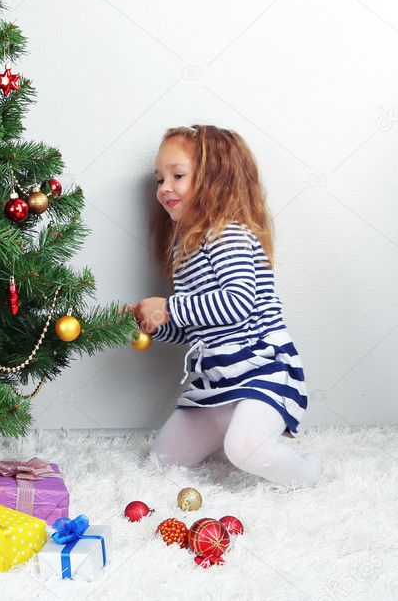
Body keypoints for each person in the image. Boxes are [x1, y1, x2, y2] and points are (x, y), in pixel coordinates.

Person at [132, 125, 322, 488]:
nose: (163, 188)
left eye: (177, 176)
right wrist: (156, 324)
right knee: (162, 463)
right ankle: (231, 432)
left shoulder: (227, 233)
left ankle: (307, 471)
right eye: (159, 179)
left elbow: (236, 304)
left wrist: (169, 307)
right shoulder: (183, 246)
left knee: (247, 450)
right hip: (216, 382)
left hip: (260, 371)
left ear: (215, 180)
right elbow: (197, 327)